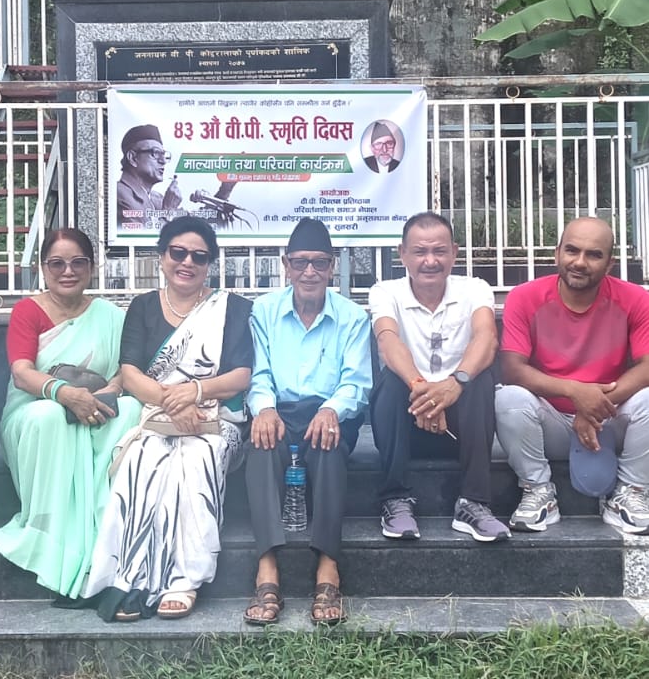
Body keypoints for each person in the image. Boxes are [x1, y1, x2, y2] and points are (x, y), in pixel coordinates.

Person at [85, 215, 252, 623]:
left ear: (209, 263)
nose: (187, 262)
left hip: (218, 422)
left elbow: (241, 375)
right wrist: (172, 401)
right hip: (157, 417)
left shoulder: (231, 308)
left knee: (196, 462)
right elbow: (129, 373)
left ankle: (184, 580)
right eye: (178, 252)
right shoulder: (143, 306)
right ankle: (129, 576)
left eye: (199, 256)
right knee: (140, 462)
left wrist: (195, 392)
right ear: (161, 257)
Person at [0, 228, 139, 601]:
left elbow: (126, 369)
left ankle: (108, 527)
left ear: (92, 267)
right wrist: (65, 394)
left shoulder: (109, 315)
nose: (68, 271)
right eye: (57, 263)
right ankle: (54, 540)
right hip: (37, 408)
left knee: (131, 409)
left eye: (77, 263)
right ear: (43, 268)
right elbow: (22, 373)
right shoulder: (28, 311)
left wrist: (110, 391)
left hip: (96, 406)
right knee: (49, 417)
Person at [243, 217, 372, 627]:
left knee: (328, 443)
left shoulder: (353, 316)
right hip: (278, 408)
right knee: (260, 446)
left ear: (332, 267)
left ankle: (328, 566)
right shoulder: (263, 311)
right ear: (286, 265)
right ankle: (267, 566)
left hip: (330, 410)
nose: (309, 272)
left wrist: (332, 410)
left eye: (319, 262)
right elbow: (258, 373)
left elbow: (356, 382)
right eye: (300, 262)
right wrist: (264, 408)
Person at [495, 215, 649, 534]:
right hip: (548, 423)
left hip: (611, 418)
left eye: (594, 255)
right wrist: (575, 392)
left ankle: (630, 493)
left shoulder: (636, 299)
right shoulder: (524, 297)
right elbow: (512, 369)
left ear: (609, 264)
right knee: (508, 398)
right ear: (557, 254)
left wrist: (593, 406)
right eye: (572, 250)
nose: (579, 262)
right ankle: (537, 490)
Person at [369, 211, 509, 543]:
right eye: (420, 252)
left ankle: (474, 503)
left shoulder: (475, 289)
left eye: (439, 251)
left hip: (461, 427)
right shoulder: (385, 291)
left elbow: (486, 338)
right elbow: (388, 341)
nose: (430, 261)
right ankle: (395, 499)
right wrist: (422, 391)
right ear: (402, 254)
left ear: (454, 253)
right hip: (408, 422)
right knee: (389, 382)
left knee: (479, 379)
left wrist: (456, 383)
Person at [117, 124, 182, 229]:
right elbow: (141, 238)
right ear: (133, 158)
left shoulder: (157, 198)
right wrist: (168, 211)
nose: (163, 161)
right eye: (155, 153)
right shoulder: (120, 195)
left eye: (164, 155)